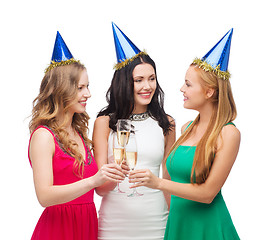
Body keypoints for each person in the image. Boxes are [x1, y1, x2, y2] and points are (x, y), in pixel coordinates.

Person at [129, 28, 240, 239]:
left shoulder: (228, 134)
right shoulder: (185, 128)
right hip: (178, 224)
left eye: (188, 84)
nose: (182, 89)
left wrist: (158, 183)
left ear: (209, 92)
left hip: (209, 228)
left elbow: (208, 194)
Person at [28, 31, 124, 240]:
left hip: (86, 225)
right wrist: (93, 181)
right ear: (60, 90)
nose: (87, 94)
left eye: (87, 86)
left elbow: (96, 187)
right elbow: (44, 196)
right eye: (80, 88)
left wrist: (112, 175)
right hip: (57, 230)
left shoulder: (79, 133)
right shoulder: (44, 136)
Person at [92, 22, 175, 240]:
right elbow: (100, 189)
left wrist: (176, 223)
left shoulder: (167, 123)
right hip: (113, 225)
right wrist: (115, 173)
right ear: (124, 83)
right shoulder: (104, 123)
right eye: (138, 80)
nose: (147, 86)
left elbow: (167, 181)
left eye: (152, 78)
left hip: (156, 221)